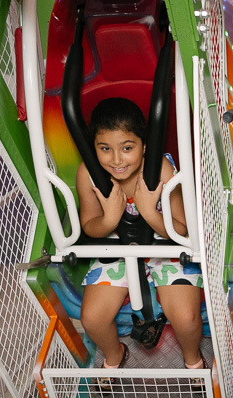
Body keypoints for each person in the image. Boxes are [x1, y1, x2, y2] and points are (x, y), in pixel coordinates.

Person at [77, 97, 204, 374]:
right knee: (92, 318)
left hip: (165, 247)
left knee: (186, 317)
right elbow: (89, 224)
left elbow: (181, 229)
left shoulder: (161, 168)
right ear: (93, 149)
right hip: (118, 249)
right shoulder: (88, 173)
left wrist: (149, 212)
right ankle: (114, 355)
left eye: (127, 148)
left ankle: (193, 359)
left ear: (144, 146)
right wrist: (109, 218)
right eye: (105, 149)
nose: (117, 159)